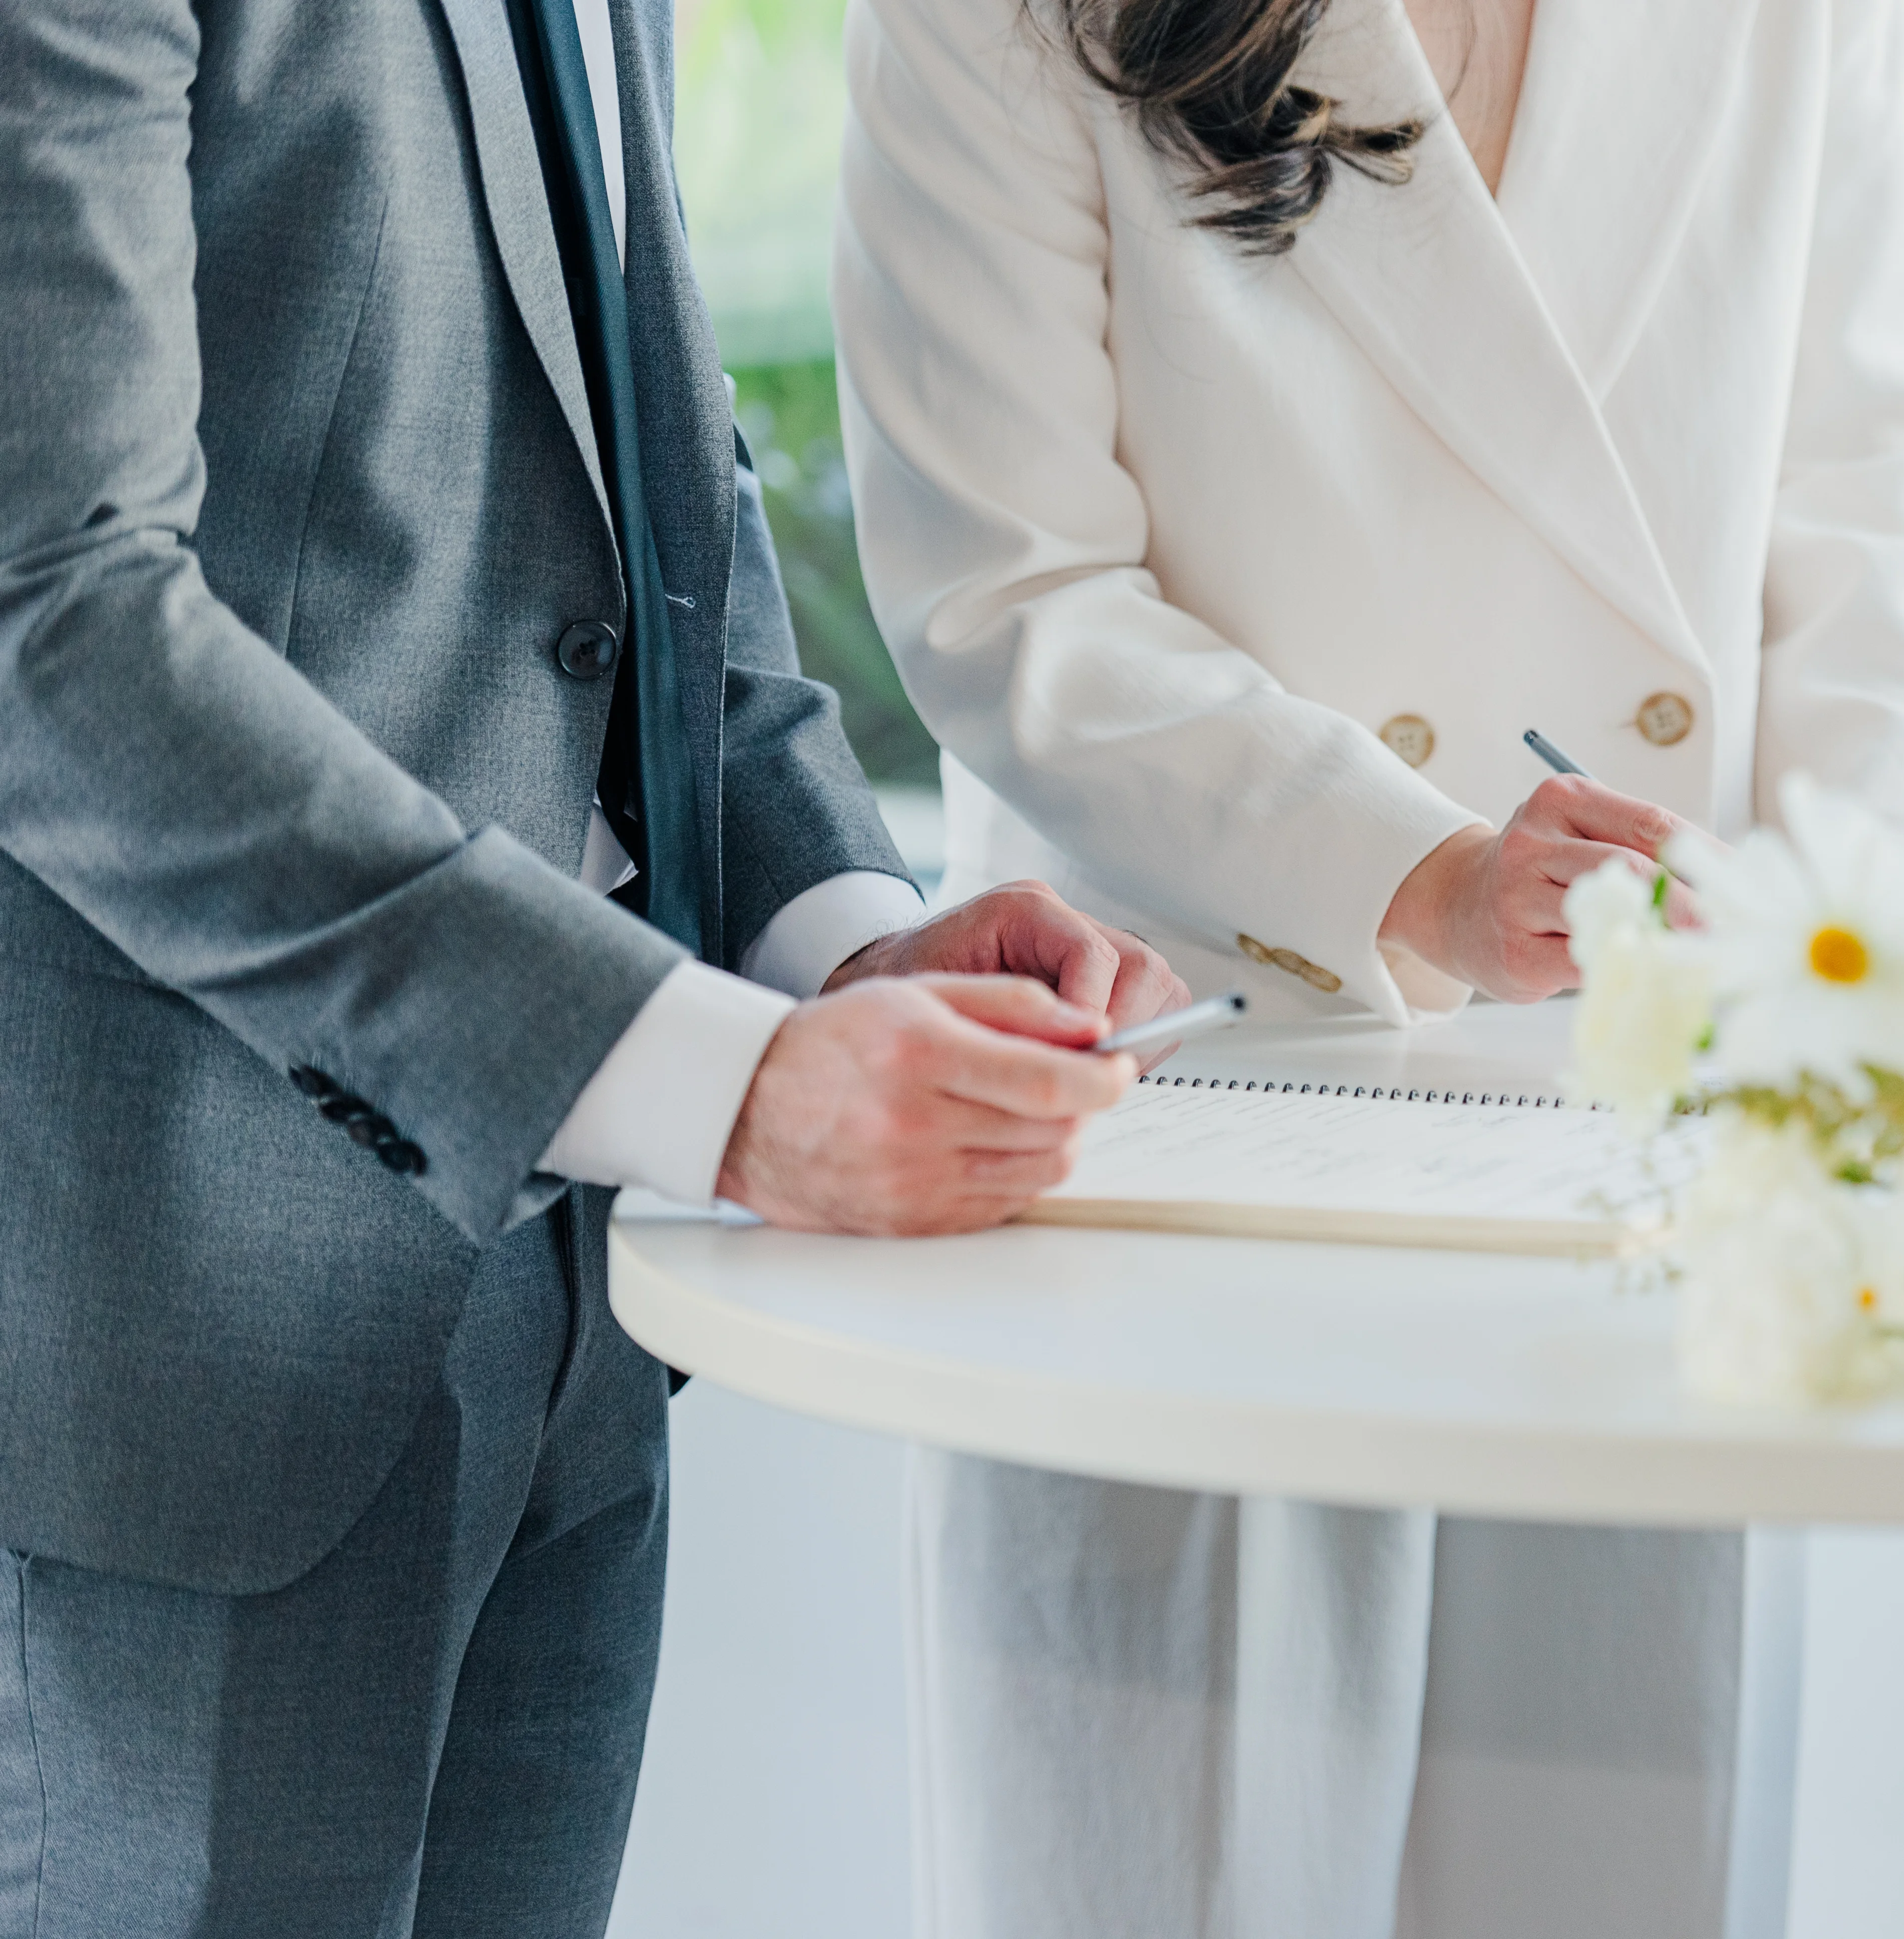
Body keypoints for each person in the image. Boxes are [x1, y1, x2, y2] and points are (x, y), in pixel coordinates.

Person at [0, 0, 1183, 1930]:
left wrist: (843, 939)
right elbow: (53, 625)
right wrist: (706, 1080)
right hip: (184, 1329)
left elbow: (647, 449)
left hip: (575, 1299)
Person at [834, 0, 1904, 1928]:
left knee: (1626, 1862)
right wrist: (1418, 869)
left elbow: (1875, 521)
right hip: (1198, 1113)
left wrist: (1860, 953)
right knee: (1181, 1868)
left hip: (1657, 1143)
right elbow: (1012, 588)